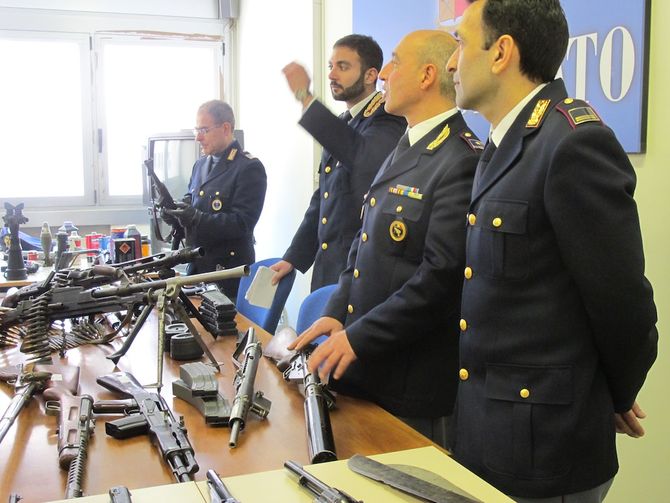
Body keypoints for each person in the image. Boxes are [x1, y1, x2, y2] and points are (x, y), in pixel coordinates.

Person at [446, 1, 658, 501]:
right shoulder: (504, 142)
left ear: (501, 52)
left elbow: (623, 303)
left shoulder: (571, 144)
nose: (452, 62)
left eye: (460, 43)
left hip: (545, 450)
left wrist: (610, 393)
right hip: (490, 433)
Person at [290, 30, 481, 448]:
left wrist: (358, 337)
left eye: (395, 62)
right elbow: (362, 243)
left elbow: (438, 280)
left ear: (427, 76)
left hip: (409, 382)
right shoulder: (406, 143)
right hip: (367, 370)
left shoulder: (460, 159)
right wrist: (338, 311)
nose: (385, 73)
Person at [270, 34, 406, 292]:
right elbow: (324, 199)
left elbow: (362, 157)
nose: (332, 75)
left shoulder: (388, 119)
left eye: (343, 67)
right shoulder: (345, 122)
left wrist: (304, 96)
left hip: (359, 272)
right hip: (328, 269)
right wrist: (293, 257)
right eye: (331, 66)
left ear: (370, 75)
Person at [164, 100, 267, 299]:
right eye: (196, 130)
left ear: (225, 128)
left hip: (227, 275)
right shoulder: (200, 165)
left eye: (204, 130)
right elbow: (192, 204)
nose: (198, 137)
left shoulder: (248, 168)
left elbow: (242, 223)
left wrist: (197, 218)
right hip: (197, 271)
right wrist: (175, 215)